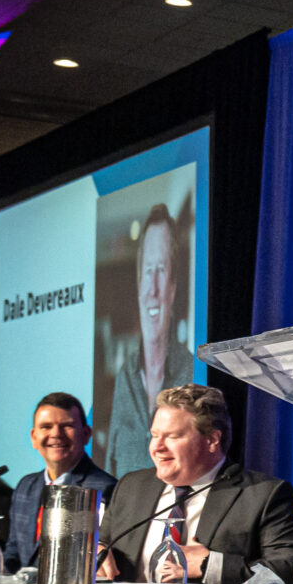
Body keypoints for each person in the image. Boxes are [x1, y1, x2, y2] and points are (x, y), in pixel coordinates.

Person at [95, 385, 293, 584]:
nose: (157, 447)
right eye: (155, 435)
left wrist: (212, 566)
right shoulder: (131, 486)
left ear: (212, 439)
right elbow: (102, 544)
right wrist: (96, 553)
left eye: (173, 436)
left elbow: (289, 571)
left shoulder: (263, 494)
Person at [103, 204, 193, 480]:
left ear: (174, 286)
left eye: (162, 270)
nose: (152, 289)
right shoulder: (125, 377)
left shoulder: (193, 374)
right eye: (147, 271)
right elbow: (111, 467)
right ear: (139, 283)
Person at [5, 393, 119, 571]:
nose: (56, 434)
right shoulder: (25, 487)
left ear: (86, 434)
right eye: (46, 427)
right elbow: (13, 553)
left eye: (67, 426)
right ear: (34, 437)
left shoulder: (105, 489)